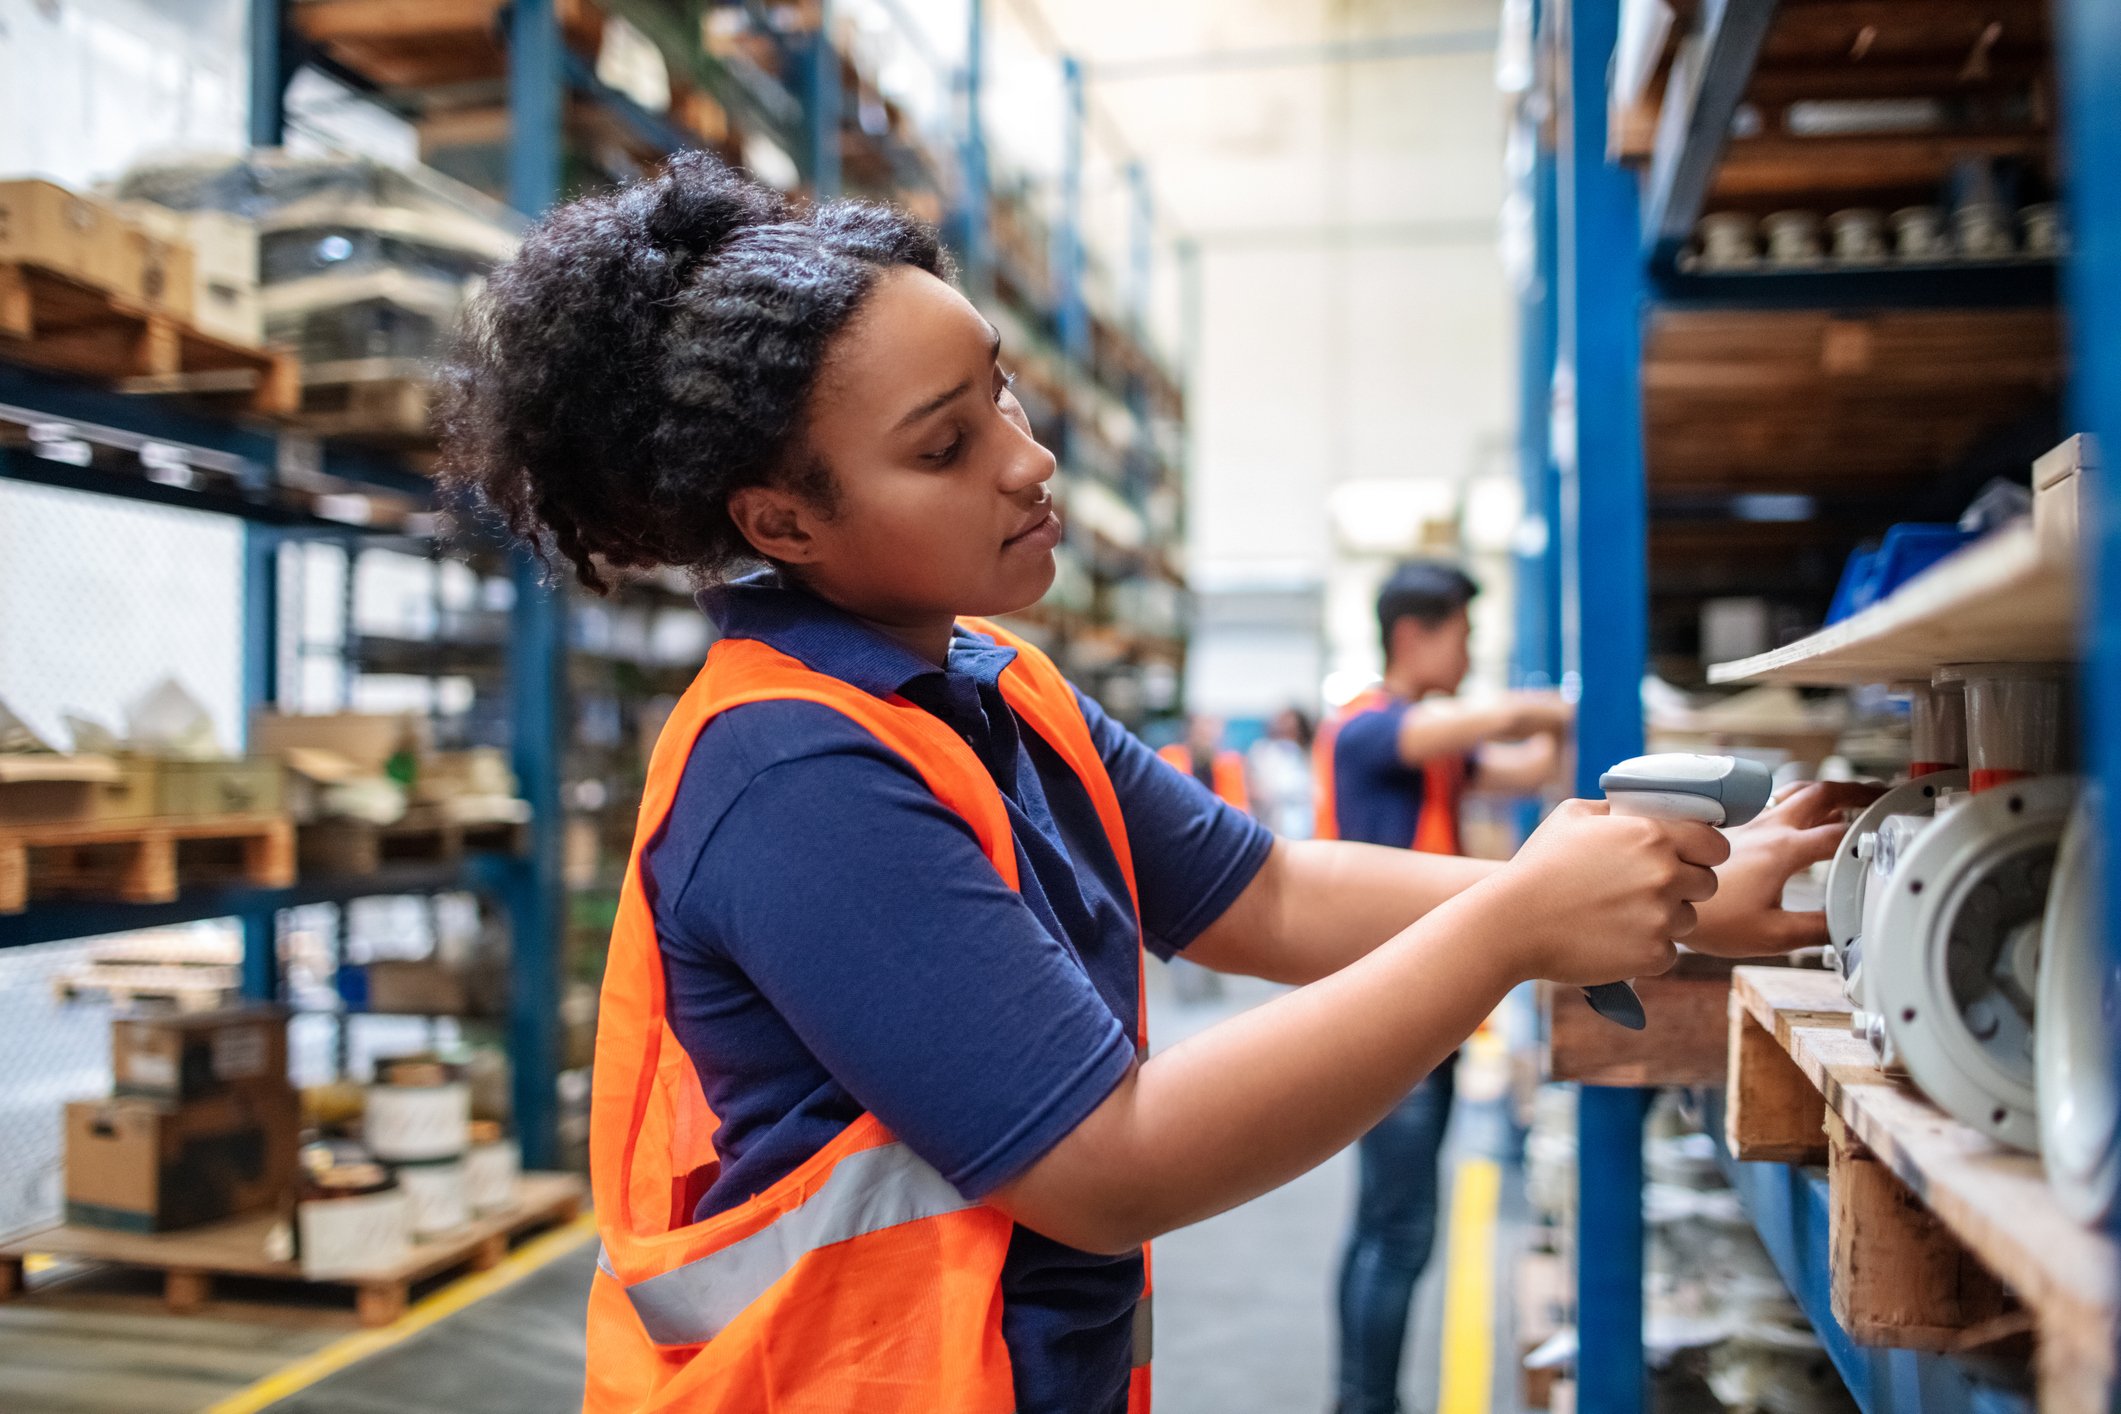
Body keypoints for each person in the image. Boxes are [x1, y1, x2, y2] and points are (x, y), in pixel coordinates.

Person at [437, 153, 1870, 1414]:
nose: (1027, 459)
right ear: (783, 521)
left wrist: (1668, 900)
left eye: (999, 391)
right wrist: (1511, 930)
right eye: (943, 446)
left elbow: (1269, 889)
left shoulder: (991, 684)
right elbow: (1106, 1164)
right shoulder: (793, 773)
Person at [1318, 560, 1574, 1414]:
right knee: (1397, 1232)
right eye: (1462, 633)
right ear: (1412, 635)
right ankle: (1365, 1405)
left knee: (1385, 1225)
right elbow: (1500, 722)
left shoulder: (1433, 748)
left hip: (1421, 1005)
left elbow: (1524, 766)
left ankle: (1362, 1401)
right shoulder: (1363, 730)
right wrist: (1561, 704)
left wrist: (1567, 737)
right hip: (1383, 1011)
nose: (1468, 652)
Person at [1248, 706, 1317, 840]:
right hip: (1273, 826)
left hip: (1305, 827)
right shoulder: (1263, 753)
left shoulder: (1309, 754)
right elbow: (1256, 791)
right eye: (1282, 723)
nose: (1285, 728)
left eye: (1291, 726)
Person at [1157, 713, 1250, 812]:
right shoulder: (1170, 757)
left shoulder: (1229, 765)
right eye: (1203, 728)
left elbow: (1238, 808)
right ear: (1191, 730)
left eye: (1213, 727)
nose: (1208, 732)